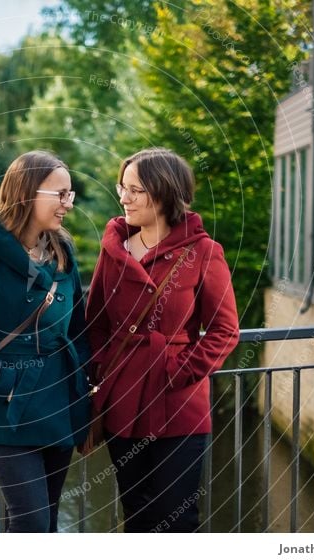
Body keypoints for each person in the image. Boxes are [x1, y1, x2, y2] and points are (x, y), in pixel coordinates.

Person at [85, 147, 239, 532]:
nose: (124, 197)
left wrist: (180, 371)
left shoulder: (203, 252)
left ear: (164, 192)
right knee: (136, 514)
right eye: (122, 187)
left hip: (179, 403)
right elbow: (97, 322)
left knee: (178, 518)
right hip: (123, 399)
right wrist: (106, 370)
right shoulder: (114, 249)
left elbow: (224, 329)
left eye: (135, 190)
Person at [0, 150, 91, 533]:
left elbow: (78, 326)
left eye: (70, 194)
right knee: (33, 524)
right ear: (27, 192)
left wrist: (82, 383)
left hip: (58, 400)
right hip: (5, 407)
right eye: (60, 194)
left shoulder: (62, 251)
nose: (67, 204)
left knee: (43, 521)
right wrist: (6, 386)